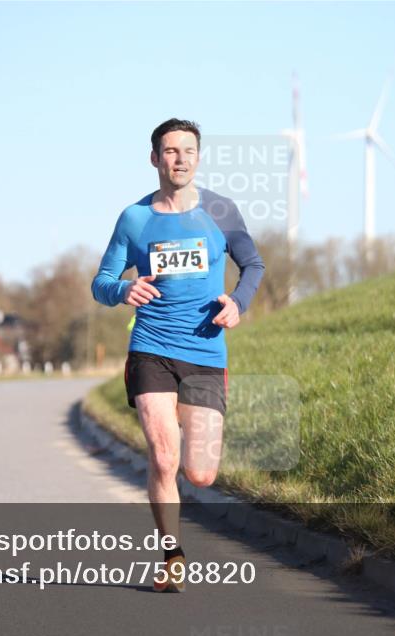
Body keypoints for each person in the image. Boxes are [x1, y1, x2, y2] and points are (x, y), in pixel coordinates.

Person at [91, 118, 265, 592]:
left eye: (188, 150)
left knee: (200, 472)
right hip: (151, 347)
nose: (180, 158)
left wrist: (237, 301)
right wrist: (123, 289)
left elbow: (252, 264)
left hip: (206, 349)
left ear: (199, 157)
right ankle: (172, 555)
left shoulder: (221, 211)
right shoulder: (135, 219)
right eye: (170, 151)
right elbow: (100, 283)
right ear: (155, 159)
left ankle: (184, 475)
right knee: (164, 456)